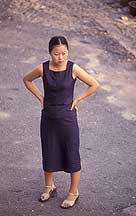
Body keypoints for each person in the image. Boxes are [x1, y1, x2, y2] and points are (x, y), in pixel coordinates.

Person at [23, 36, 100, 209]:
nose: (61, 57)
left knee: (71, 152)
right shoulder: (42, 68)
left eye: (64, 53)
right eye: (57, 54)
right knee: (49, 150)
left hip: (67, 118)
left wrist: (78, 99)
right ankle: (48, 187)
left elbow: (94, 84)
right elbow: (26, 79)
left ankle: (73, 192)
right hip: (48, 117)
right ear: (50, 53)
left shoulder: (73, 68)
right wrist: (40, 97)